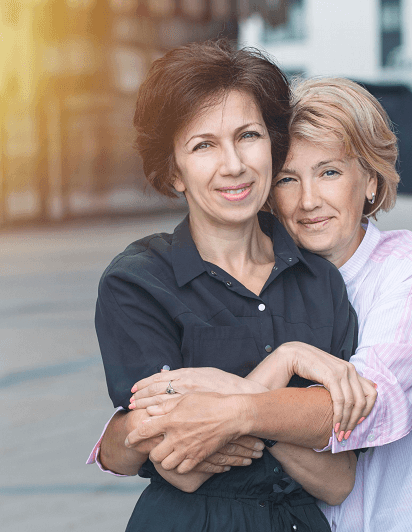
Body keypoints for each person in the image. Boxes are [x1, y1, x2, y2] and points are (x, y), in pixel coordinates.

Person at [128, 77, 412, 531]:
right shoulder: (260, 277)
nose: (309, 200)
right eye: (287, 179)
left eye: (329, 172)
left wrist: (226, 400)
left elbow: (364, 406)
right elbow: (159, 440)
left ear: (370, 180)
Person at [88, 41, 377, 532]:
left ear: (272, 143)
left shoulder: (321, 280)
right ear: (173, 171)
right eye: (204, 145)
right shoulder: (137, 282)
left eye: (248, 136)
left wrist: (231, 403)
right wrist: (287, 367)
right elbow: (180, 466)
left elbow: (337, 479)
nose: (235, 165)